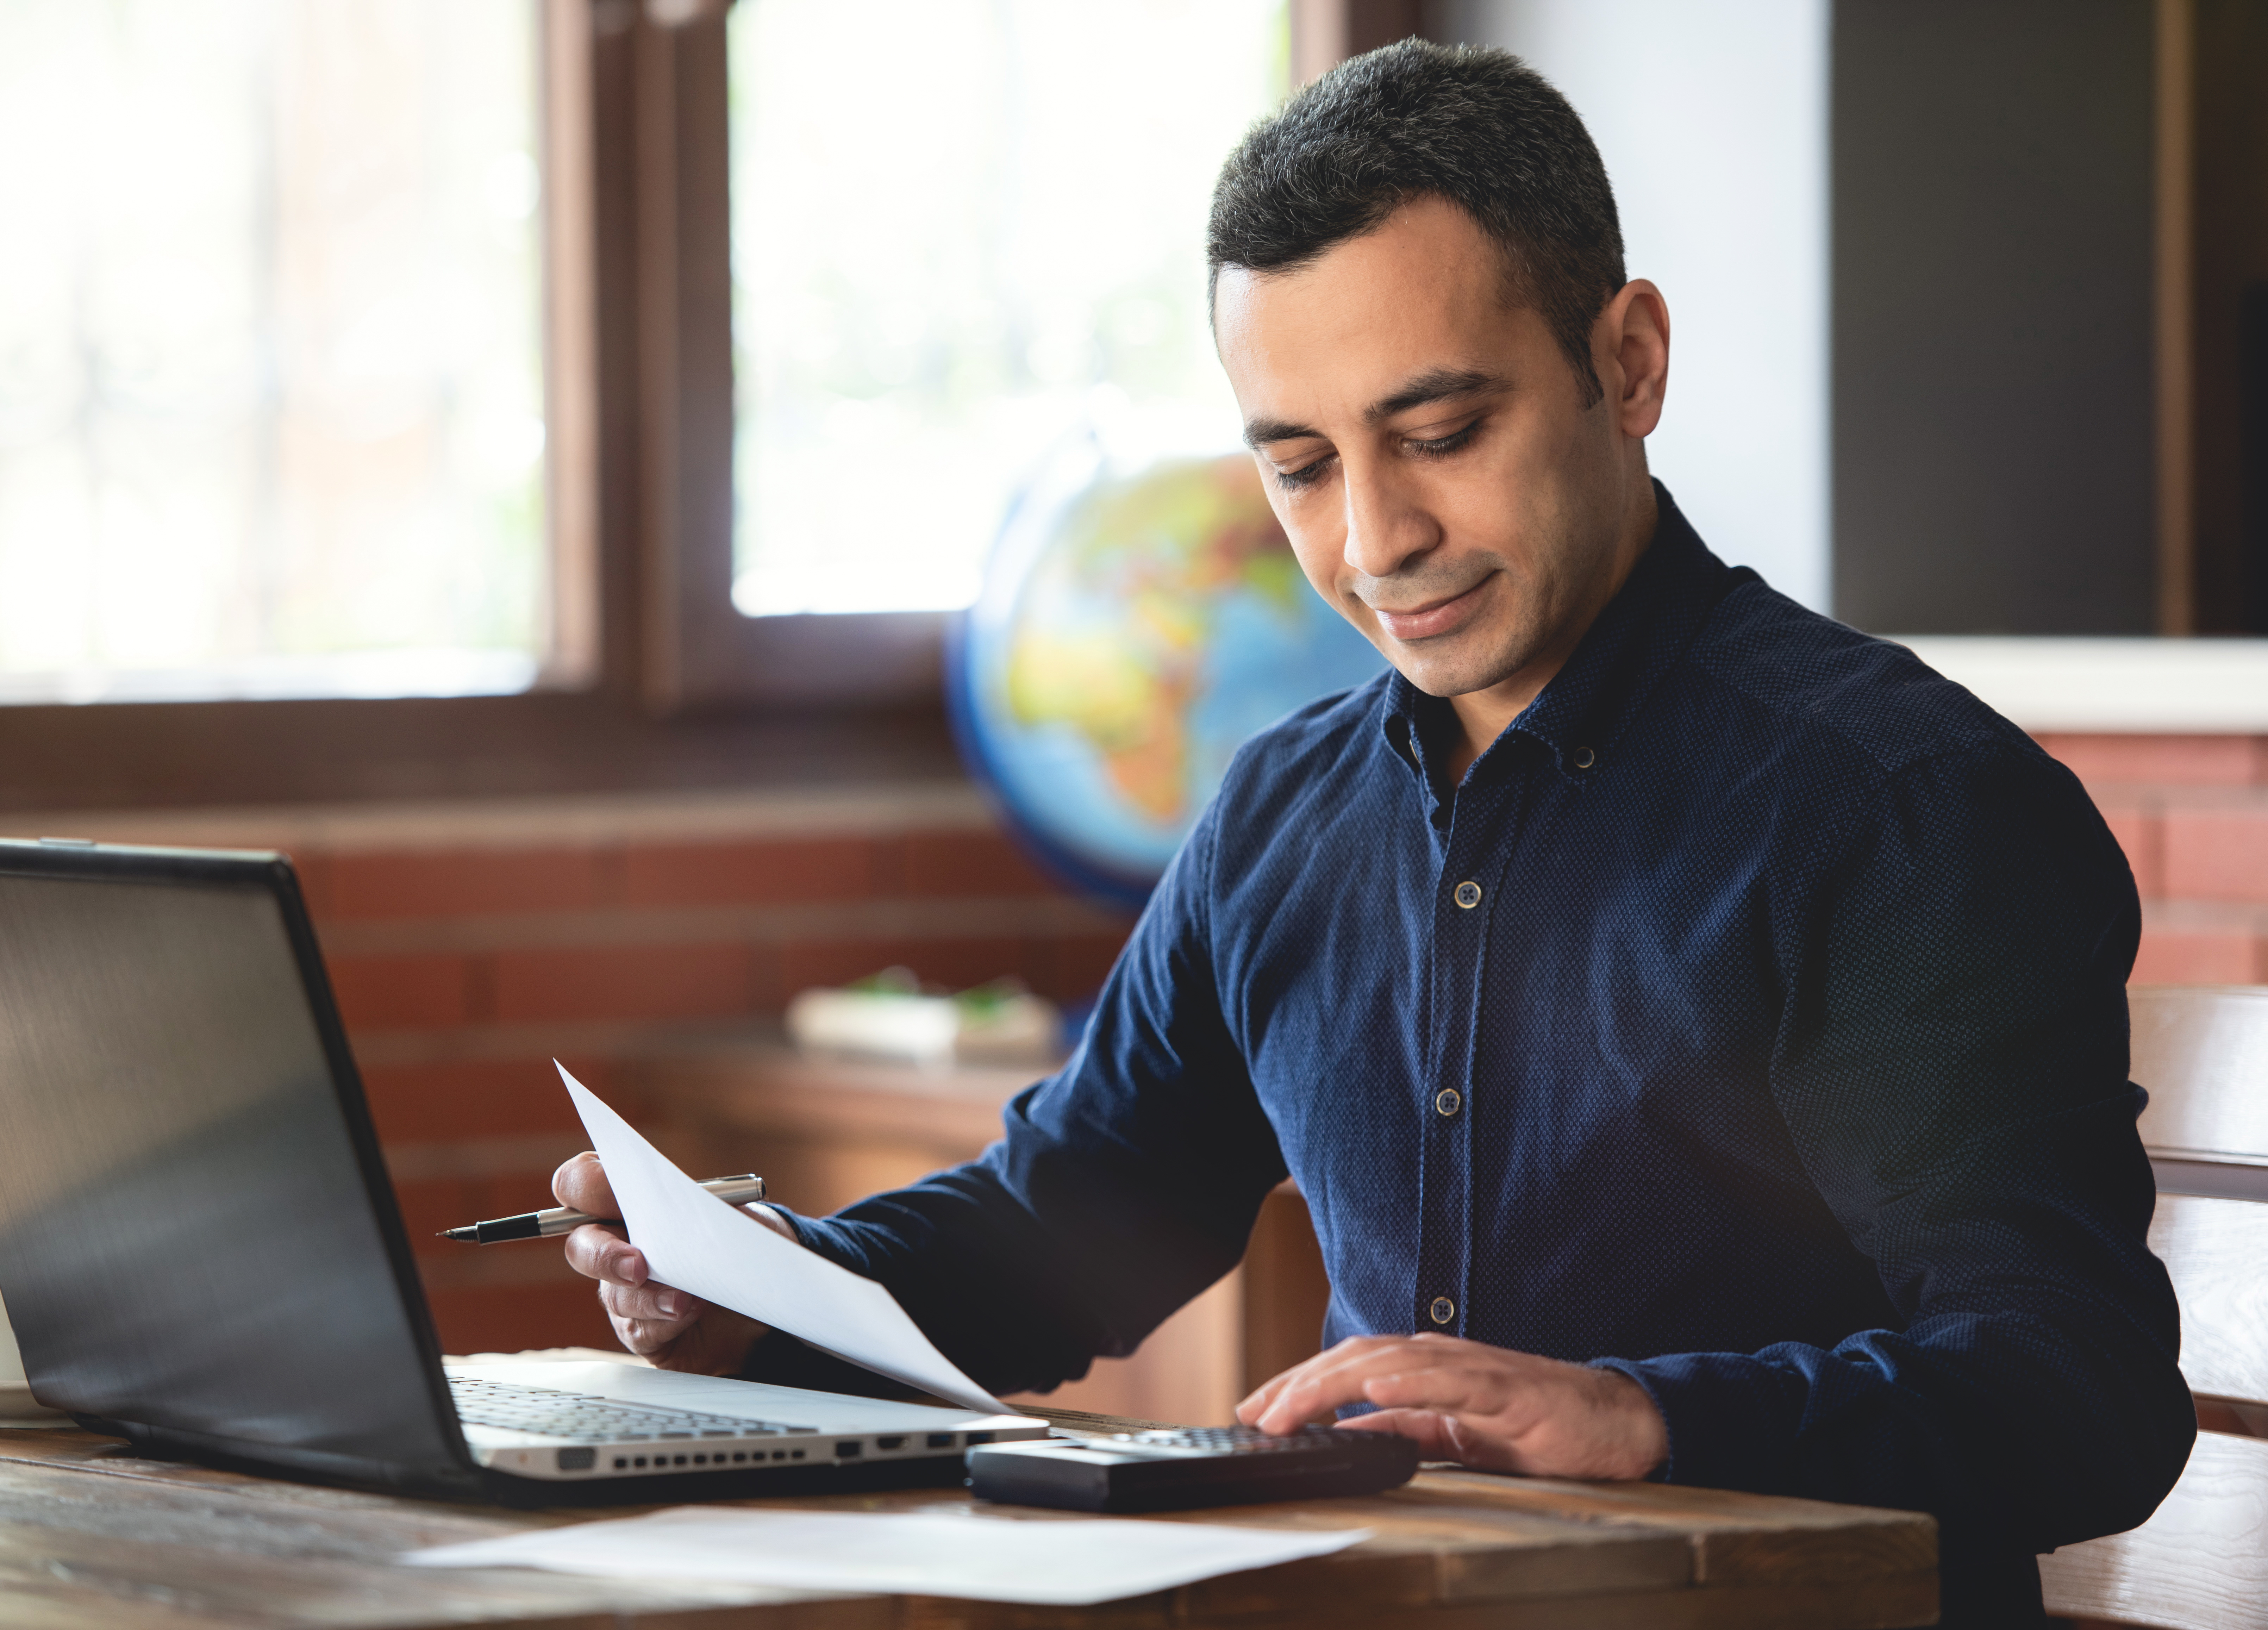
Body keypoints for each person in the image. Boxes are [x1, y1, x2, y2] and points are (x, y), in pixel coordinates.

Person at [553, 40, 2190, 1626]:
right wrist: (764, 1286)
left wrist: (1639, 1418)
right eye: (1300, 467)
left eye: (1438, 434)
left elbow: (2075, 1389)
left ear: (1626, 363)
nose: (1374, 539)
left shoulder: (1894, 806)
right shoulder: (1283, 812)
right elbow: (1068, 1223)